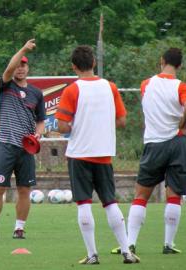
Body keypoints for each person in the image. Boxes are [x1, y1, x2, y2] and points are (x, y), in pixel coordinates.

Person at [55, 45, 139, 264]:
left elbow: (63, 126)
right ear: (93, 63)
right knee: (110, 202)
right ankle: (126, 251)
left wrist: (78, 124)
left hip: (79, 154)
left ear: (74, 67)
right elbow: (121, 121)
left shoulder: (72, 90)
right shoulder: (110, 87)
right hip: (104, 154)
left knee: (83, 203)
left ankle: (93, 254)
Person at [111, 48, 186, 255]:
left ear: (161, 60)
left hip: (154, 144)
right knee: (174, 194)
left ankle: (130, 243)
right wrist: (183, 122)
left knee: (141, 194)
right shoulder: (182, 86)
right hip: (178, 142)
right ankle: (168, 244)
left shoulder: (146, 84)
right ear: (180, 65)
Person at [0, 39, 45, 240]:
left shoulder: (36, 93)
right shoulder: (5, 85)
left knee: (24, 189)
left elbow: (41, 120)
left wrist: (38, 133)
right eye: (18, 65)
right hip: (6, 145)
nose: (20, 69)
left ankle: (19, 228)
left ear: (28, 68)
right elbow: (8, 68)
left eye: (24, 65)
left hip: (26, 149)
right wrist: (23, 48)